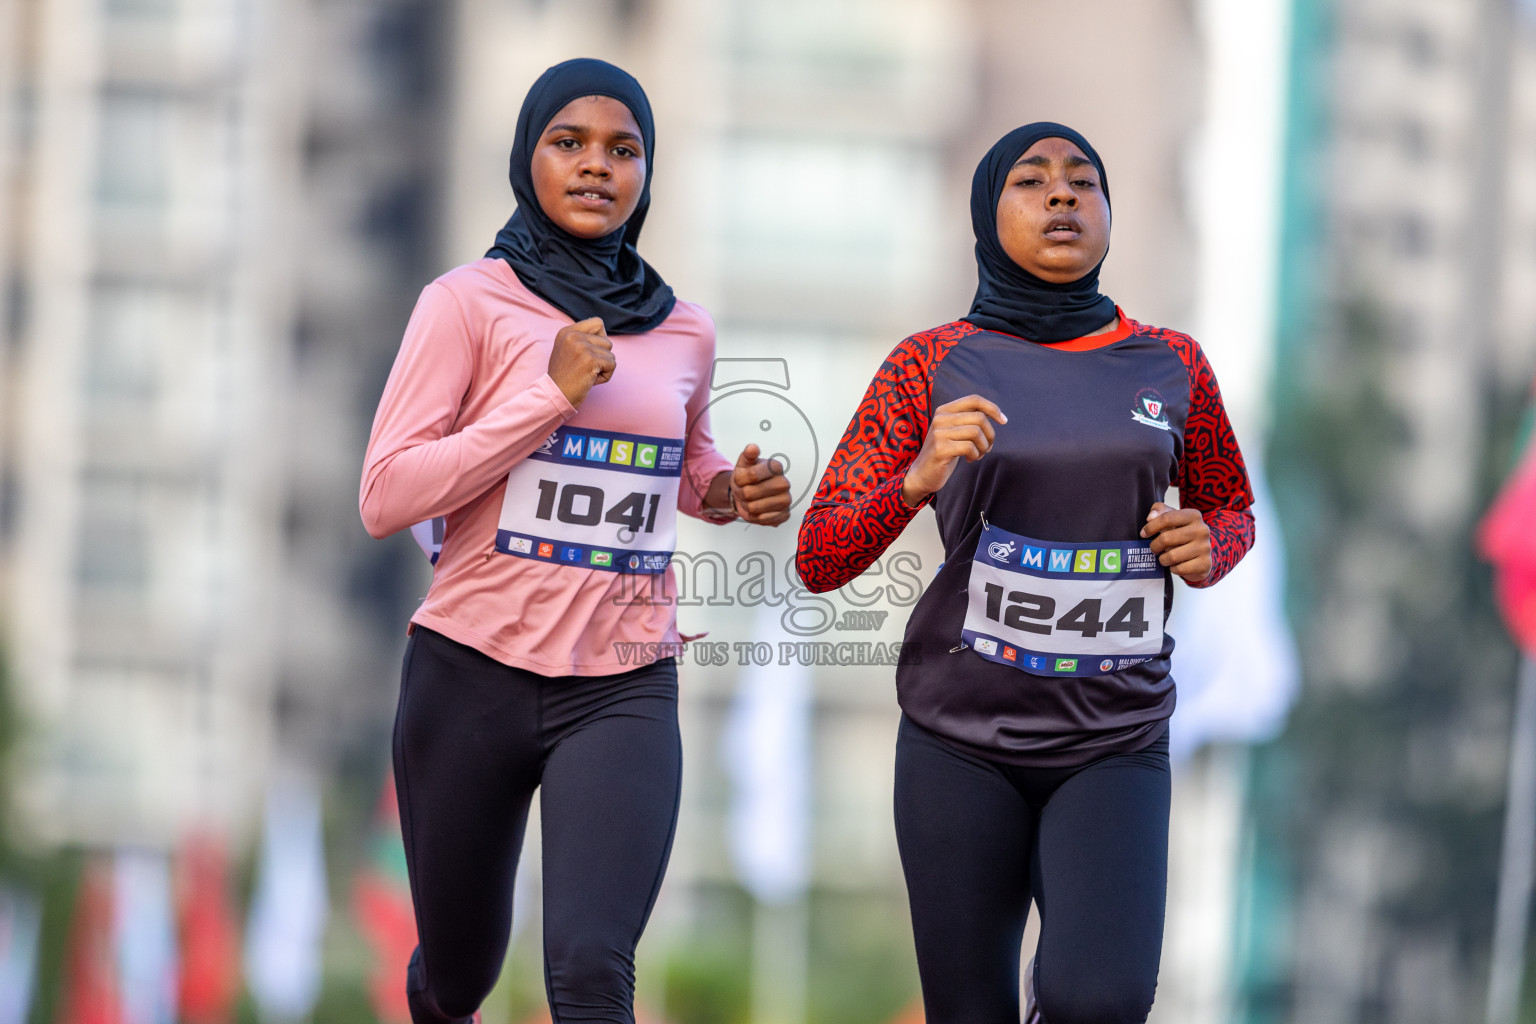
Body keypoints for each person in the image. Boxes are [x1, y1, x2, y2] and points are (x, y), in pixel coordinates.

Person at [360, 58, 791, 1024]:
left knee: (594, 973)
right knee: (459, 976)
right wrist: (545, 395)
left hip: (624, 681)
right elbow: (386, 496)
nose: (597, 167)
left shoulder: (685, 329)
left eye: (623, 149)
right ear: (528, 158)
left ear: (647, 172)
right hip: (472, 669)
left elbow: (687, 472)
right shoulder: (465, 303)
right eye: (570, 143)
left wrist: (733, 492)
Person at [795, 122, 1254, 1024]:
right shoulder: (928, 364)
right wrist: (918, 477)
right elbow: (820, 555)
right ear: (985, 213)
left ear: (1110, 215)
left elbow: (1231, 506)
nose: (1061, 196)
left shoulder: (1173, 362)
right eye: (1032, 181)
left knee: (1101, 1001)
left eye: (1084, 182)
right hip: (961, 742)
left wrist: (1213, 547)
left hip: (1112, 738)